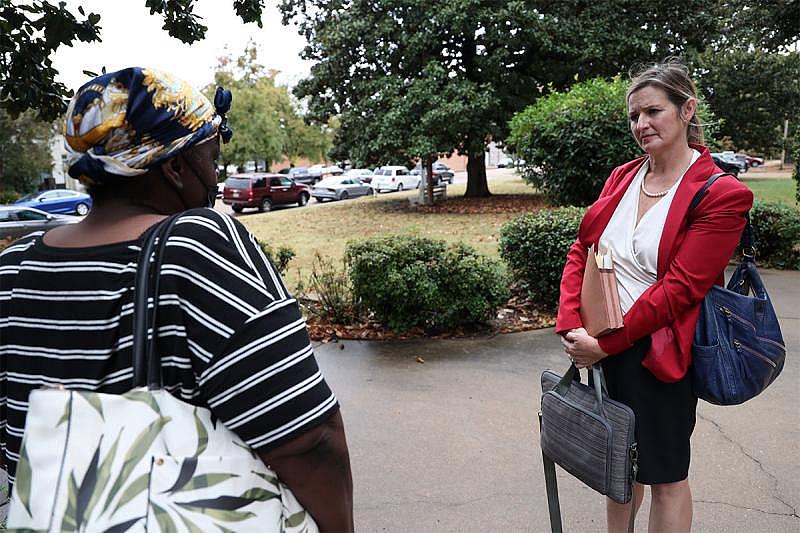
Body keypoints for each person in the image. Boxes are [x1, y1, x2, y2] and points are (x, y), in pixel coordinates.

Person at [0, 67, 353, 531]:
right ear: (175, 167)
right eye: (209, 156)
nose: (216, 172)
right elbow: (309, 441)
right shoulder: (193, 246)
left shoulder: (15, 266)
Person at [556, 60, 753, 532]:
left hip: (659, 352)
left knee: (664, 475)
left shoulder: (722, 194)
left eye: (653, 111)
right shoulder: (623, 176)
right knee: (618, 472)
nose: (641, 125)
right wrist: (571, 325)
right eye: (633, 116)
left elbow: (682, 289)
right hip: (599, 344)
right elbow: (583, 247)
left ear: (687, 109)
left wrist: (607, 343)